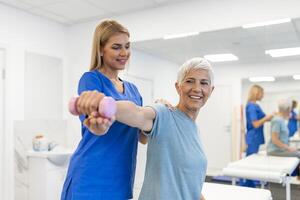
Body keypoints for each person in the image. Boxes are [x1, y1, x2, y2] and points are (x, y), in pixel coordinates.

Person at [77, 57, 214, 200]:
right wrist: (102, 103)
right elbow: (137, 112)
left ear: (211, 90)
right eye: (189, 81)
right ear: (178, 86)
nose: (197, 88)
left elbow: (189, 184)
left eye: (204, 83)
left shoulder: (195, 130)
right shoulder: (164, 114)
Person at [61, 19, 146, 200]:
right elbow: (97, 127)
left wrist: (159, 113)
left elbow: (142, 137)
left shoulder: (134, 90)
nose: (124, 53)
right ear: (100, 49)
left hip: (121, 179)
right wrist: (100, 124)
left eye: (127, 46)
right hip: (91, 178)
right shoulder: (92, 79)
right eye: (116, 47)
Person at [243, 85, 273, 187]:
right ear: (256, 93)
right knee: (249, 162)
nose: (263, 95)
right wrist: (268, 117)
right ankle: (246, 184)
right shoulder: (251, 106)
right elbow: (255, 124)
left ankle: (249, 183)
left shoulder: (256, 105)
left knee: (252, 161)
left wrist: (273, 116)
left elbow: (263, 118)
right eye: (262, 93)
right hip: (253, 137)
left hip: (256, 136)